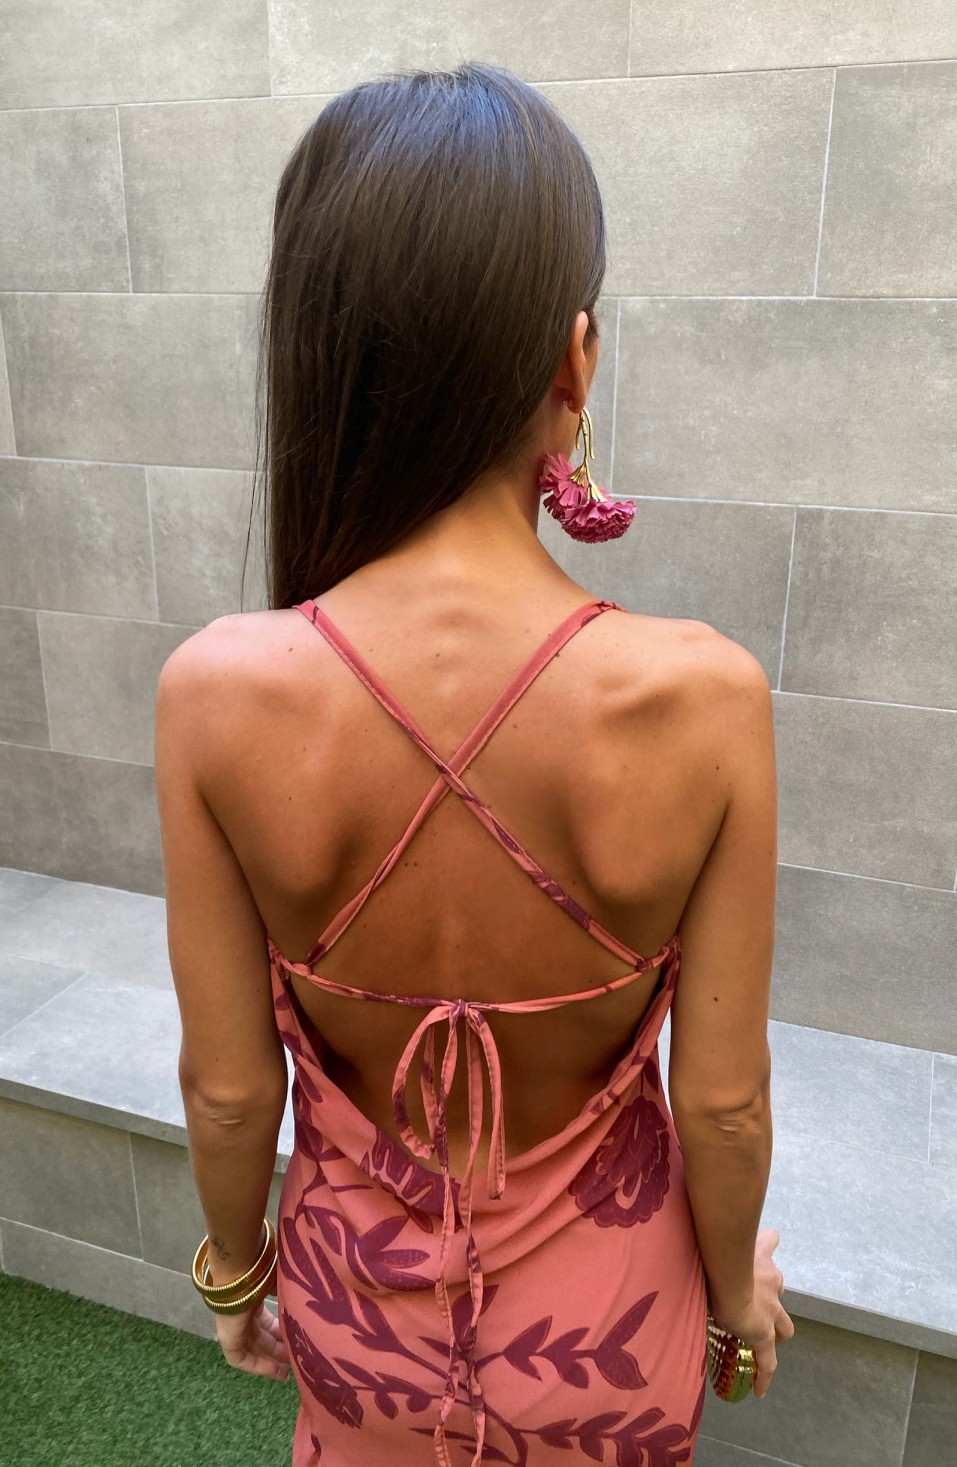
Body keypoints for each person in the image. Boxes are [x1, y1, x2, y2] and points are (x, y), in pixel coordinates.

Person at [155, 61, 793, 1467]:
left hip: (356, 1318)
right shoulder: (704, 697)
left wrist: (239, 1277)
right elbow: (725, 1103)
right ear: (576, 360)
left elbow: (229, 1090)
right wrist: (739, 1300)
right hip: (612, 1335)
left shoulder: (215, 693)